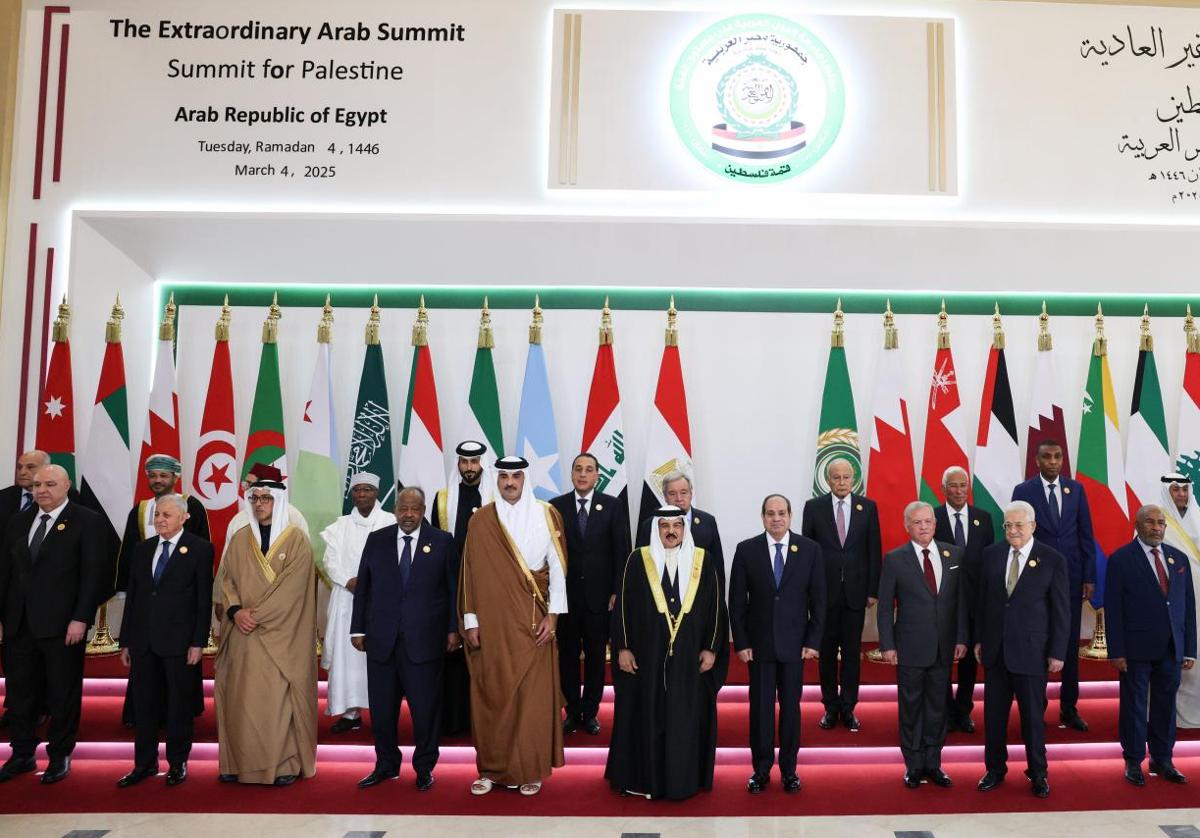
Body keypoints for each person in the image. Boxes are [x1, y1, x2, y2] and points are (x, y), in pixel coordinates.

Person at [458, 455, 567, 796]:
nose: (509, 482)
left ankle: (530, 768)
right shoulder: (481, 521)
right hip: (490, 624)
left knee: (531, 699)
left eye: (515, 476)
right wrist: (470, 621)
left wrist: (554, 616)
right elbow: (469, 574)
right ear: (496, 479)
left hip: (534, 622)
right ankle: (491, 770)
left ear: (525, 479)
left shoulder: (546, 515)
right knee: (492, 695)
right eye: (503, 476)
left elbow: (558, 569)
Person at [606, 506, 725, 800]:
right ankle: (646, 780)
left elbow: (715, 608)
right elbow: (621, 607)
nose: (671, 531)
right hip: (646, 656)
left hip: (689, 657)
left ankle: (682, 781)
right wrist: (622, 648)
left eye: (676, 525)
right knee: (648, 715)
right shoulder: (638, 560)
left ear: (685, 529)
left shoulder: (702, 560)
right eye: (664, 526)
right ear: (655, 529)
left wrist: (711, 648)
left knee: (683, 717)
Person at [0, 464, 109, 784]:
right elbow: (4, 572)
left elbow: (94, 576)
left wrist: (81, 617)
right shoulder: (19, 522)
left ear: (66, 486)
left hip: (63, 627)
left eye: (49, 484)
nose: (41, 490)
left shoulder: (87, 521)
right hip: (19, 625)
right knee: (20, 693)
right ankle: (21, 754)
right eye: (36, 485)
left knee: (62, 693)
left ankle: (60, 755)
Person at [351, 487, 460, 790]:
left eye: (414, 509)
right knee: (383, 711)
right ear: (395, 509)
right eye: (403, 509)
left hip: (425, 641)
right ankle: (386, 765)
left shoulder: (442, 542)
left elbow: (453, 590)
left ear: (424, 510)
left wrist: (453, 629)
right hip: (382, 640)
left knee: (425, 711)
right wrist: (357, 628)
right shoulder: (377, 540)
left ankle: (424, 767)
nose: (408, 514)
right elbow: (364, 589)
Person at [214, 471, 317, 785]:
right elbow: (225, 579)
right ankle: (236, 763)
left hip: (281, 638)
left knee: (276, 701)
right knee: (239, 699)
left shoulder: (297, 540)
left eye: (266, 498)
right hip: (242, 637)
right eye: (255, 498)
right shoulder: (241, 537)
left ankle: (283, 765)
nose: (259, 504)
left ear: (279, 500)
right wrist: (234, 611)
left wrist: (253, 616)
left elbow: (293, 591)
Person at [116, 494, 213, 788]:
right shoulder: (143, 550)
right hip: (144, 641)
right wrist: (126, 640)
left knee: (177, 705)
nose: (160, 519)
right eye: (158, 514)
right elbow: (133, 597)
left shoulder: (200, 549)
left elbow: (202, 600)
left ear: (184, 518)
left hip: (180, 643)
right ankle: (144, 764)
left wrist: (198, 642)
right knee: (145, 705)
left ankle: (177, 762)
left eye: (167, 515)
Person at [729, 494, 824, 794]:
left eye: (781, 513)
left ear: (790, 515)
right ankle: (760, 770)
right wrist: (741, 642)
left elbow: (819, 600)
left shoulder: (810, 550)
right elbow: (736, 602)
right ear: (762, 517)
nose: (776, 518)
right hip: (759, 648)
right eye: (770, 513)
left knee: (791, 710)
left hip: (796, 647)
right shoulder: (747, 550)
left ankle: (789, 770)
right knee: (760, 710)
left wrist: (813, 640)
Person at [976, 500, 1069, 799]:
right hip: (996, 651)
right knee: (994, 717)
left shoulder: (1052, 559)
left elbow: (1061, 611)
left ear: (1033, 526)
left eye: (1019, 525)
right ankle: (994, 769)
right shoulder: (990, 555)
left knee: (1032, 719)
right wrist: (979, 639)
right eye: (1008, 525)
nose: (1013, 530)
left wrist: (1057, 651)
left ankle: (1038, 773)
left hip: (1032, 652)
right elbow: (983, 603)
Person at [1104, 504, 1197, 786]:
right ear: (1137, 525)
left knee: (1165, 705)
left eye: (1161, 523)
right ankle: (1133, 761)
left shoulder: (1178, 559)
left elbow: (1187, 608)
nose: (1157, 527)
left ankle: (1163, 759)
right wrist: (1116, 650)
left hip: (1171, 648)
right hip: (1134, 650)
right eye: (1151, 522)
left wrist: (1189, 648)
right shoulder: (1121, 559)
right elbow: (1114, 608)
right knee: (1133, 706)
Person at [115, 454, 210, 727]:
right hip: (146, 610)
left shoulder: (191, 505)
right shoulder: (141, 509)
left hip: (180, 613)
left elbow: (202, 554)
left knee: (178, 680)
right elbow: (130, 551)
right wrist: (123, 589)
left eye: (163, 476)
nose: (157, 480)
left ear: (175, 477)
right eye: (153, 475)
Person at [877, 501, 967, 789]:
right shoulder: (894, 559)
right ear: (907, 526)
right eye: (917, 522)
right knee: (911, 707)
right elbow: (883, 609)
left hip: (944, 646)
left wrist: (962, 638)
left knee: (937, 707)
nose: (924, 526)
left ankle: (934, 762)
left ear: (935, 523)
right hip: (910, 647)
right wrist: (888, 645)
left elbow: (962, 603)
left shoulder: (954, 555)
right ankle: (913, 764)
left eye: (928, 521)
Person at [1011, 439, 1096, 732]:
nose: (1053, 461)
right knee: (1038, 644)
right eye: (1046, 456)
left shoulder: (1077, 490)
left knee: (1069, 644)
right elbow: (1018, 533)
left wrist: (1089, 577)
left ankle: (1069, 708)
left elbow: (1086, 534)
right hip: (1035, 579)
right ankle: (1037, 709)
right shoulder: (1024, 491)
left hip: (1071, 578)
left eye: (1058, 456)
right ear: (1037, 460)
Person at [550, 452, 630, 736]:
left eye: (589, 470)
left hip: (600, 599)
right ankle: (572, 711)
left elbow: (622, 551)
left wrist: (617, 591)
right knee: (568, 657)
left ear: (598, 475)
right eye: (578, 469)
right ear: (571, 475)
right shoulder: (555, 507)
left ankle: (591, 712)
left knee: (597, 657)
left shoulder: (612, 506)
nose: (583, 474)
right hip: (566, 599)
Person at [801, 457, 882, 731]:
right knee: (825, 654)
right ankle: (829, 706)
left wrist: (873, 590)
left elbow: (874, 550)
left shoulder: (868, 507)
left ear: (853, 478)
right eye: (836, 477)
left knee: (851, 653)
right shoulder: (813, 508)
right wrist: (810, 592)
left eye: (846, 477)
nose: (842, 482)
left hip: (856, 595)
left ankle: (848, 707)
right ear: (827, 479)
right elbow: (807, 555)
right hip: (824, 594)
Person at [320, 472, 395, 734]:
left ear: (377, 492)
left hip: (381, 600)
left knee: (377, 657)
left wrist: (373, 584)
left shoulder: (391, 521)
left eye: (367, 490)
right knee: (347, 656)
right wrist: (348, 581)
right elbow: (329, 561)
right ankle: (350, 713)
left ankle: (382, 711)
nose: (362, 495)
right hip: (346, 598)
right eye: (357, 490)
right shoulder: (340, 525)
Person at [432, 440, 493, 736]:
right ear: (457, 464)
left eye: (474, 462)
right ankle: (453, 720)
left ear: (482, 463)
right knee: (452, 649)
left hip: (487, 586)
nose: (469, 468)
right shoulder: (443, 498)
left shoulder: (494, 497)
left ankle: (485, 718)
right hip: (451, 585)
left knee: (484, 649)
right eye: (464, 462)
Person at [933, 465, 994, 733]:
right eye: (953, 486)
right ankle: (944, 711)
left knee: (970, 659)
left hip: (975, 601)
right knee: (943, 657)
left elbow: (989, 560)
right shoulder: (932, 517)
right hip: (943, 601)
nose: (959, 490)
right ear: (943, 488)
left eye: (963, 485)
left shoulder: (984, 518)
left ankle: (963, 709)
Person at [212, 463, 308, 624]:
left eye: (250, 484)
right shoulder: (239, 520)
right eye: (247, 485)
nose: (245, 489)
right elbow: (226, 565)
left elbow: (301, 568)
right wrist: (222, 600)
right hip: (243, 609)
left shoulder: (294, 518)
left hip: (284, 612)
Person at [0, 450, 54, 729]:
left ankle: (43, 706)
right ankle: (16, 707)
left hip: (47, 602)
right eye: (19, 466)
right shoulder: (4, 500)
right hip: (12, 598)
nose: (22, 471)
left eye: (29, 466)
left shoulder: (66, 504)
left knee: (42, 660)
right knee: (13, 658)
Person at [1160, 473, 1200, 727]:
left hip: (1199, 600)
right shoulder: (1155, 521)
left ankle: (1192, 713)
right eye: (1176, 490)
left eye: (1185, 490)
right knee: (1171, 655)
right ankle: (1165, 714)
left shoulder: (1198, 517)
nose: (1181, 495)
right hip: (1170, 602)